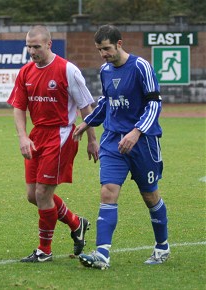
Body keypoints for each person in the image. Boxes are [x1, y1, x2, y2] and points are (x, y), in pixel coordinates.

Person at [73, 24, 169, 270]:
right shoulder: (105, 70)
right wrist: (87, 123)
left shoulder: (140, 67)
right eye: (99, 50)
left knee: (150, 196)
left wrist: (137, 132)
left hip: (143, 143)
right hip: (113, 141)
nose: (103, 54)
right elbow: (106, 103)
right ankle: (102, 254)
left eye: (106, 49)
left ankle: (162, 246)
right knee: (108, 191)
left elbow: (154, 104)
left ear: (119, 43)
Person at [7, 25, 99, 263]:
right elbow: (18, 106)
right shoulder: (25, 72)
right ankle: (77, 223)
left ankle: (44, 250)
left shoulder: (67, 70)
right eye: (28, 46)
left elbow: (86, 106)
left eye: (36, 46)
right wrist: (23, 136)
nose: (31, 51)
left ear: (49, 44)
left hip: (62, 135)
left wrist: (92, 139)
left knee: (43, 193)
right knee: (32, 195)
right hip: (37, 135)